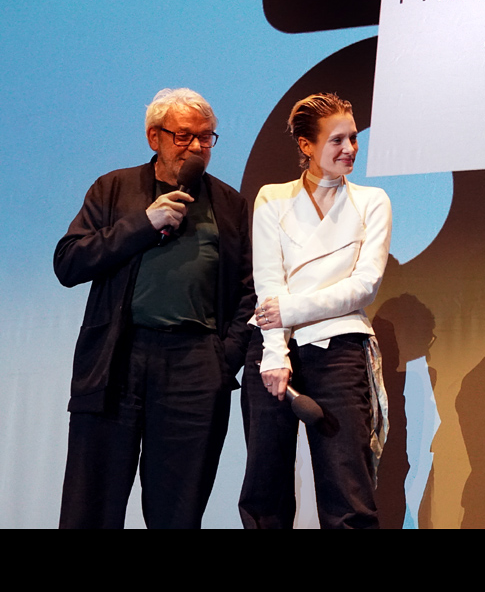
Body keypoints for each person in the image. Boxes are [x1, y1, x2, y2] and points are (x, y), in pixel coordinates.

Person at [54, 87, 255, 529]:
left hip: (196, 368)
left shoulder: (230, 203)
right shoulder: (114, 188)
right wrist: (143, 224)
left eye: (206, 137)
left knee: (177, 513)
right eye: (184, 136)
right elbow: (68, 262)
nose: (197, 147)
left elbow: (248, 291)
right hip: (117, 360)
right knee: (92, 505)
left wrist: (225, 361)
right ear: (154, 138)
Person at [239, 93, 391, 529]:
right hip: (270, 350)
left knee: (349, 492)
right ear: (306, 146)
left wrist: (287, 309)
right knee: (264, 492)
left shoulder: (372, 201)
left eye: (353, 138)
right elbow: (268, 280)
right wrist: (274, 354)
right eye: (336, 140)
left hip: (340, 348)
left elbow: (364, 286)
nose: (350, 149)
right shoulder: (273, 198)